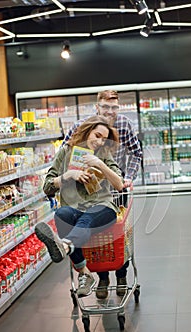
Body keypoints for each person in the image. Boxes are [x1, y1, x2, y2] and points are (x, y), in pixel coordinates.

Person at [62, 90, 142, 299]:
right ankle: (103, 277)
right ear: (97, 107)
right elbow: (64, 150)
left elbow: (136, 152)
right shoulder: (83, 125)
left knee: (120, 234)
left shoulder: (124, 124)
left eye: (114, 107)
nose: (110, 111)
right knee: (97, 234)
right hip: (89, 191)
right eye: (105, 107)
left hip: (117, 188)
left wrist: (129, 177)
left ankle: (122, 274)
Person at [35, 116, 124, 298]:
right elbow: (47, 187)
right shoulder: (66, 151)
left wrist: (99, 164)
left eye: (103, 139)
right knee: (62, 214)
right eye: (96, 135)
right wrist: (68, 175)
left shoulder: (104, 154)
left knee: (89, 216)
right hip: (74, 207)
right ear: (87, 130)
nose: (99, 142)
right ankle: (85, 272)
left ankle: (66, 247)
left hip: (102, 207)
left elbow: (119, 184)